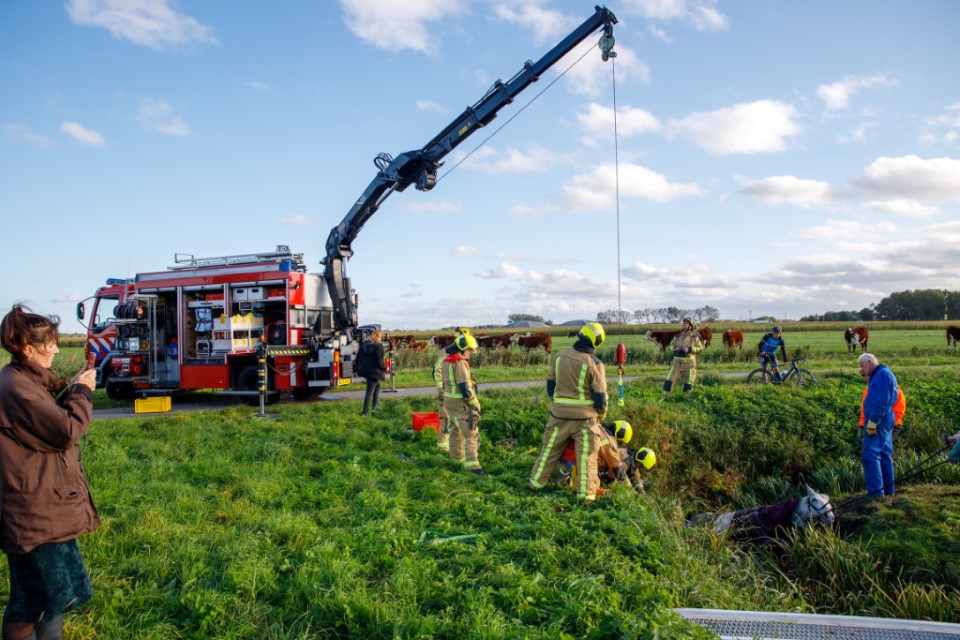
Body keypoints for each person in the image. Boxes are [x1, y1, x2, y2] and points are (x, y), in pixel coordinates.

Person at [0, 304, 100, 640]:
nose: (57, 349)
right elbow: (66, 430)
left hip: (40, 508)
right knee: (37, 600)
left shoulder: (23, 381)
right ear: (27, 349)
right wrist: (83, 392)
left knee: (41, 597)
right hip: (36, 512)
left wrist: (71, 387)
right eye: (50, 344)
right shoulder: (17, 388)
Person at [529, 322, 608, 502]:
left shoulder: (559, 356)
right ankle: (586, 496)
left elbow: (550, 385)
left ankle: (536, 483)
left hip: (558, 416)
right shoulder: (595, 363)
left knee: (549, 450)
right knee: (586, 456)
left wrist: (558, 405)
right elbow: (600, 398)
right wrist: (600, 416)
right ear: (596, 341)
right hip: (585, 420)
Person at [440, 332, 484, 474]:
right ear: (462, 348)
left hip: (449, 401)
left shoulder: (447, 360)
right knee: (470, 433)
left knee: (454, 429)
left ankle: (456, 458)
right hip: (460, 402)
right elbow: (465, 386)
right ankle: (473, 466)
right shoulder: (460, 362)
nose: (470, 353)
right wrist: (475, 403)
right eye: (469, 350)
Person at [858, 352, 898, 498]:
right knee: (884, 454)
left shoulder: (881, 375)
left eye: (862, 366)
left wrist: (873, 422)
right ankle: (888, 491)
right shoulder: (883, 374)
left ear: (870, 362)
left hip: (879, 421)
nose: (861, 369)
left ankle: (876, 494)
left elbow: (882, 401)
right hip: (885, 419)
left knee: (870, 454)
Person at [432, 328, 470, 452]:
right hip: (447, 392)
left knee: (454, 422)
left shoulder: (458, 354)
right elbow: (437, 371)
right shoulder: (447, 353)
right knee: (446, 419)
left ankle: (453, 448)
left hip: (455, 394)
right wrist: (442, 389)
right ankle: (443, 446)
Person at [663, 318, 703, 395]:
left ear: (690, 326)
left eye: (686, 323)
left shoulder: (695, 338)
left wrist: (690, 348)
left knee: (688, 382)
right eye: (683, 323)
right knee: (669, 380)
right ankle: (665, 396)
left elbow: (700, 349)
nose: (683, 324)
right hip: (676, 363)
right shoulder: (677, 337)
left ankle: (686, 398)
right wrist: (674, 348)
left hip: (689, 364)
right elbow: (670, 345)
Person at [356, 328, 387, 416]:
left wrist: (358, 367)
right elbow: (379, 361)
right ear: (379, 336)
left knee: (377, 385)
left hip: (365, 370)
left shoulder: (363, 344)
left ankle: (375, 405)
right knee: (370, 390)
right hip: (374, 371)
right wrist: (385, 368)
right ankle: (365, 412)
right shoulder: (379, 346)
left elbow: (358, 358)